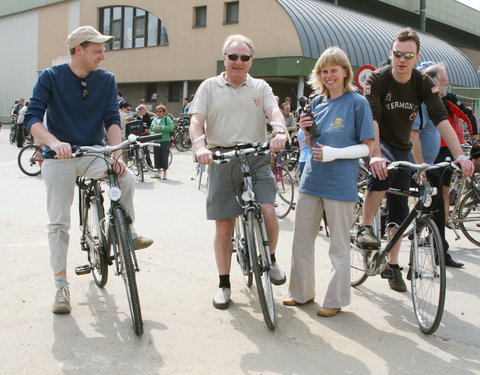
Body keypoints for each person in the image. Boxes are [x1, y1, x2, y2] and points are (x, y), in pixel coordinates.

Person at [24, 25, 154, 315]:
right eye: (97, 51)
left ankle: (127, 232)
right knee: (58, 224)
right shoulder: (51, 77)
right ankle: (60, 287)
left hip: (94, 152)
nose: (103, 57)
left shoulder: (106, 79)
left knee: (127, 178)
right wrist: (54, 143)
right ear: (78, 50)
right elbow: (33, 117)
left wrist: (117, 153)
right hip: (60, 156)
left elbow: (111, 118)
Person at [355, 28, 474, 292]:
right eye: (397, 53)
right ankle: (364, 225)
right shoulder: (378, 79)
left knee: (399, 208)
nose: (402, 59)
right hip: (377, 140)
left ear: (416, 56)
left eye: (408, 55)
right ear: (391, 53)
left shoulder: (422, 83)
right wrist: (374, 154)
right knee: (383, 170)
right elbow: (372, 118)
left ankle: (393, 264)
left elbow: (441, 118)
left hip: (401, 145)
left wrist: (460, 156)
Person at [188, 34, 288, 310]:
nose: (238, 62)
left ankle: (271, 258)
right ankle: (223, 284)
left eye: (244, 57)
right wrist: (200, 146)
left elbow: (274, 112)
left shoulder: (260, 86)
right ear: (225, 58)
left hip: (256, 157)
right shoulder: (209, 86)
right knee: (225, 225)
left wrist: (279, 130)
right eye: (233, 57)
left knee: (268, 211)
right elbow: (197, 121)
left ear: (251, 60)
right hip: (221, 158)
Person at [282, 47, 375, 317]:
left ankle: (335, 300)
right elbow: (311, 143)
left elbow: (368, 147)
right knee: (301, 242)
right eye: (324, 71)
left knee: (338, 246)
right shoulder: (318, 103)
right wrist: (304, 131)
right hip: (311, 181)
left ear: (345, 72)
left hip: (339, 184)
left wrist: (336, 154)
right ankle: (301, 293)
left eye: (334, 70)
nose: (329, 75)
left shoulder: (358, 103)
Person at [411, 62, 479, 268]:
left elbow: (456, 121)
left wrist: (465, 152)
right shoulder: (420, 103)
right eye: (443, 81)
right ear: (432, 81)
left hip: (437, 161)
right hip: (424, 164)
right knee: (432, 203)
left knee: (437, 203)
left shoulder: (439, 102)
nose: (446, 84)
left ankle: (439, 251)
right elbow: (413, 136)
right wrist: (420, 167)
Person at [150, 104, 173, 179]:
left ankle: (165, 173)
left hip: (165, 140)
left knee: (164, 156)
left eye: (160, 111)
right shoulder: (154, 119)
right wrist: (152, 133)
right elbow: (151, 129)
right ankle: (158, 172)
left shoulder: (167, 119)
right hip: (156, 140)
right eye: (157, 111)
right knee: (157, 156)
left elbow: (171, 127)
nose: (158, 113)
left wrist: (162, 127)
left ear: (164, 112)